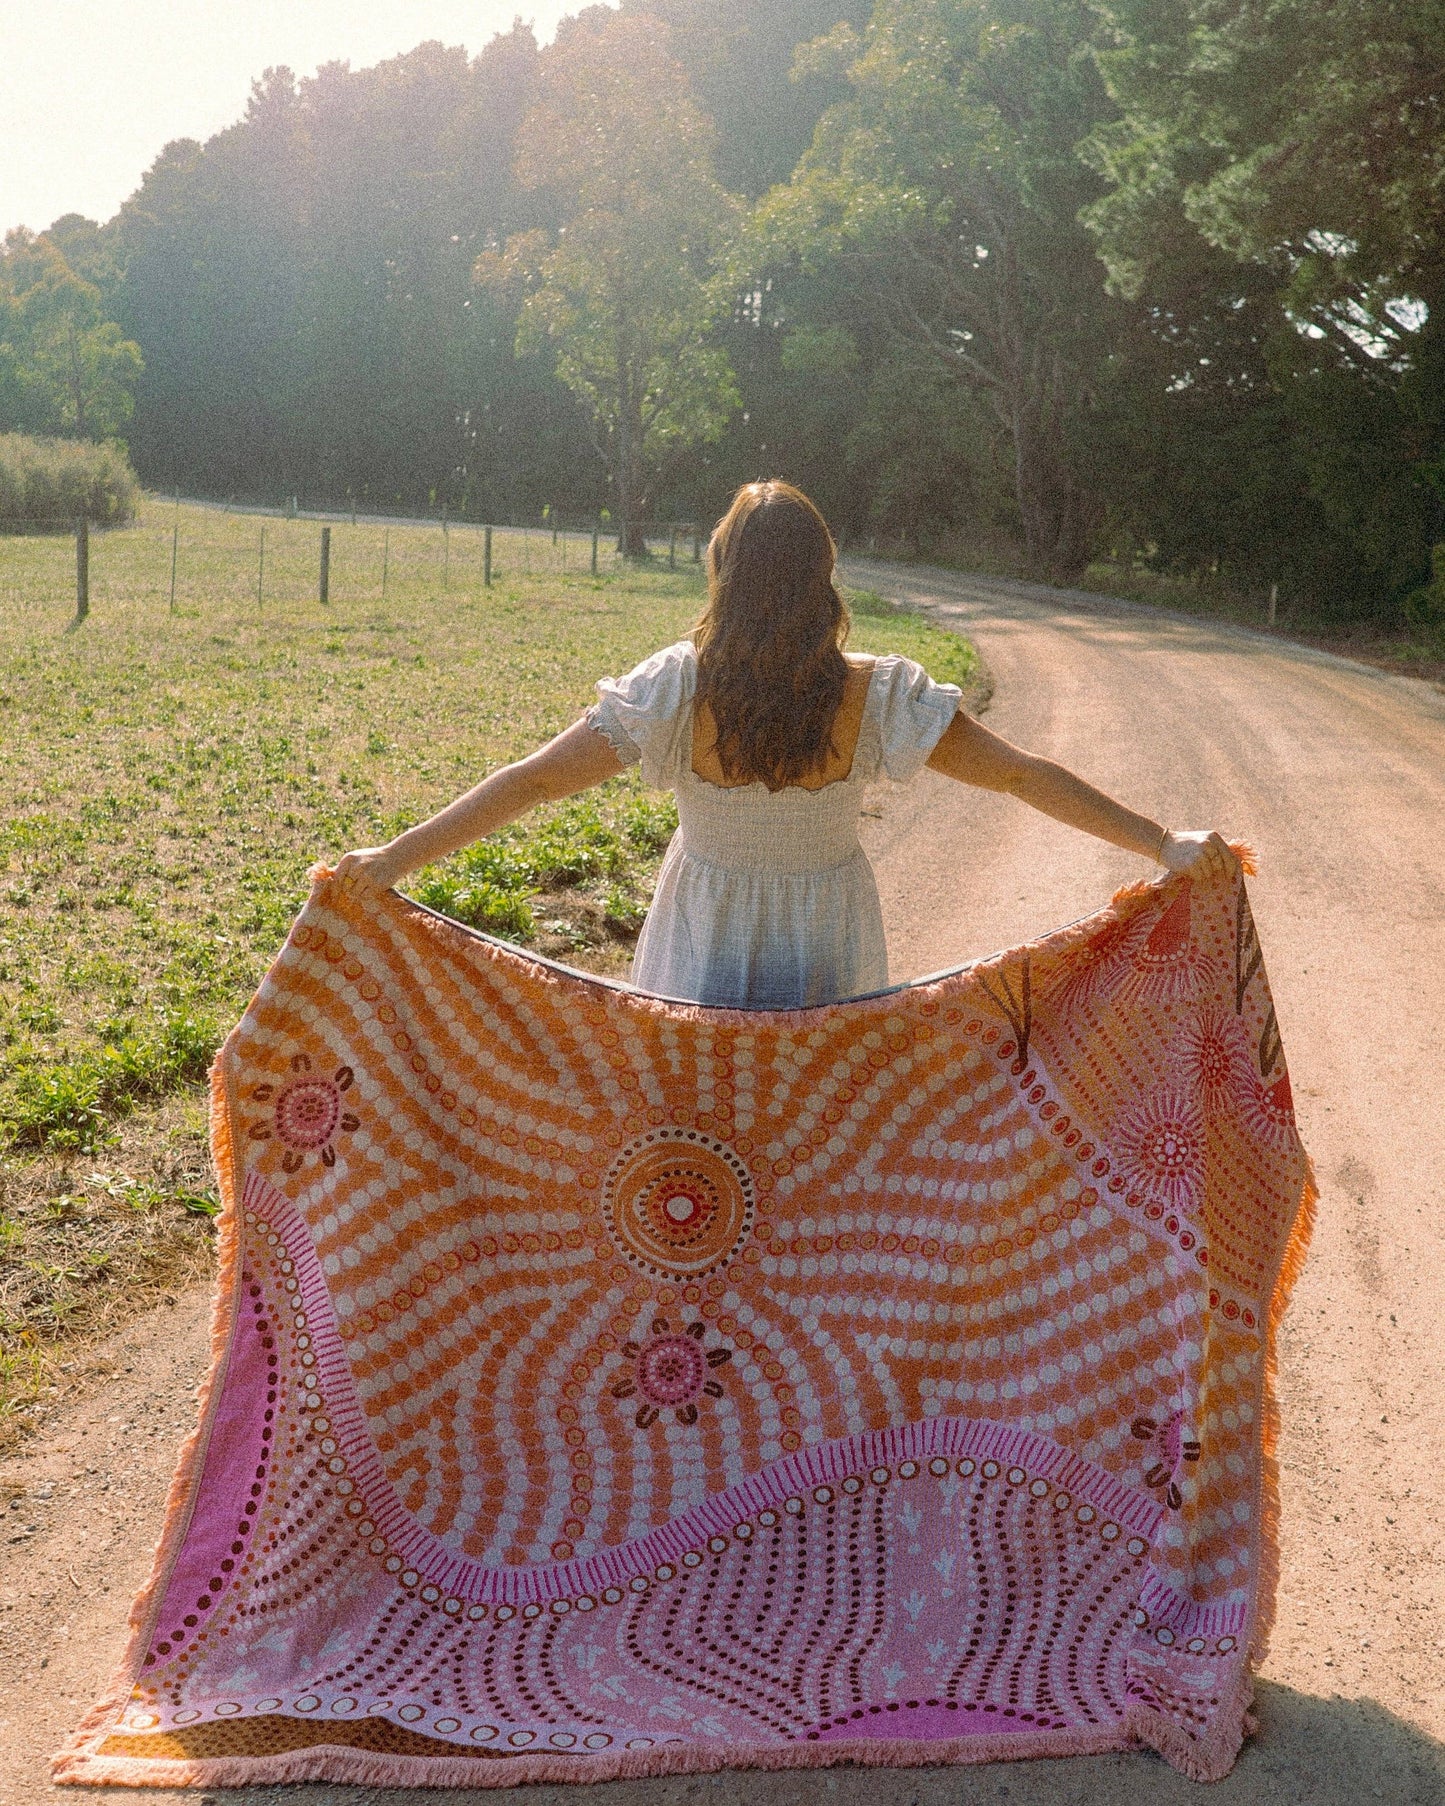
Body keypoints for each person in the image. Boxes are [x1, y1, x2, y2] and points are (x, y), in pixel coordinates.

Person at [336, 480, 1234, 1009]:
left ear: (722, 570)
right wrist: (1161, 843)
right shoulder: (878, 694)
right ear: (822, 576)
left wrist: (389, 860)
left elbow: (530, 783)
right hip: (825, 936)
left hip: (702, 925)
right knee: (812, 1144)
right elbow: (1020, 777)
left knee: (691, 1134)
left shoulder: (673, 687)